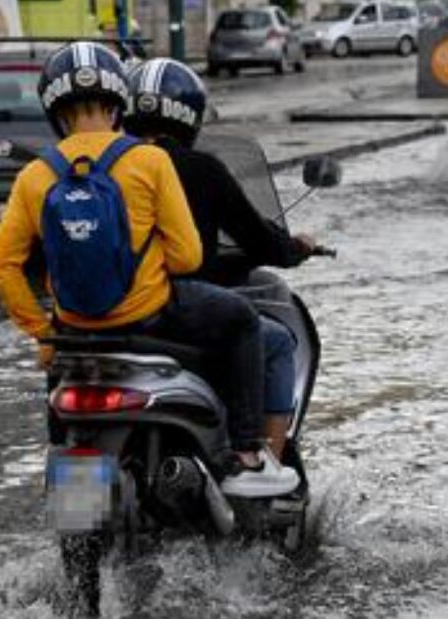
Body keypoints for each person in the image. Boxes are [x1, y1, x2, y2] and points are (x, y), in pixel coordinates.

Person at [0, 42, 299, 497]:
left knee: (62, 379)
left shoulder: (35, 175)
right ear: (117, 105)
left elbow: (2, 266)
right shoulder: (148, 161)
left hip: (75, 329)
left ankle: (64, 464)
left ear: (54, 109)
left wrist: (43, 332)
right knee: (242, 318)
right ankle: (247, 455)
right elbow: (188, 256)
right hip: (150, 313)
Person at [124, 58, 318, 459]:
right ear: (190, 116)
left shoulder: (108, 166)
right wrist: (292, 248)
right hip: (169, 308)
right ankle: (258, 460)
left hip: (105, 313)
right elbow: (254, 237)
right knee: (278, 342)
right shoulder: (200, 169)